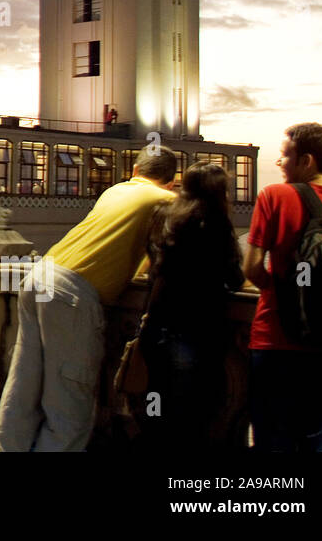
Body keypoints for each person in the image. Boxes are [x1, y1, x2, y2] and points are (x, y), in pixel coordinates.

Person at [0, 146, 179, 451]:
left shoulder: (116, 191)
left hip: (41, 275)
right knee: (70, 407)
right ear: (171, 182)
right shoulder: (167, 200)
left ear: (134, 171)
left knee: (23, 388)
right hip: (72, 294)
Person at [245, 122, 322, 452]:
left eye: (284, 155)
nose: (279, 163)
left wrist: (284, 293)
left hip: (278, 342)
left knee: (275, 442)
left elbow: (250, 267)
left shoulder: (275, 196)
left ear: (306, 161)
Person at [138, 160, 244, 450]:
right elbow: (234, 278)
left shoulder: (162, 215)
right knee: (191, 413)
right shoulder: (213, 222)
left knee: (157, 404)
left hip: (156, 326)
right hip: (195, 331)